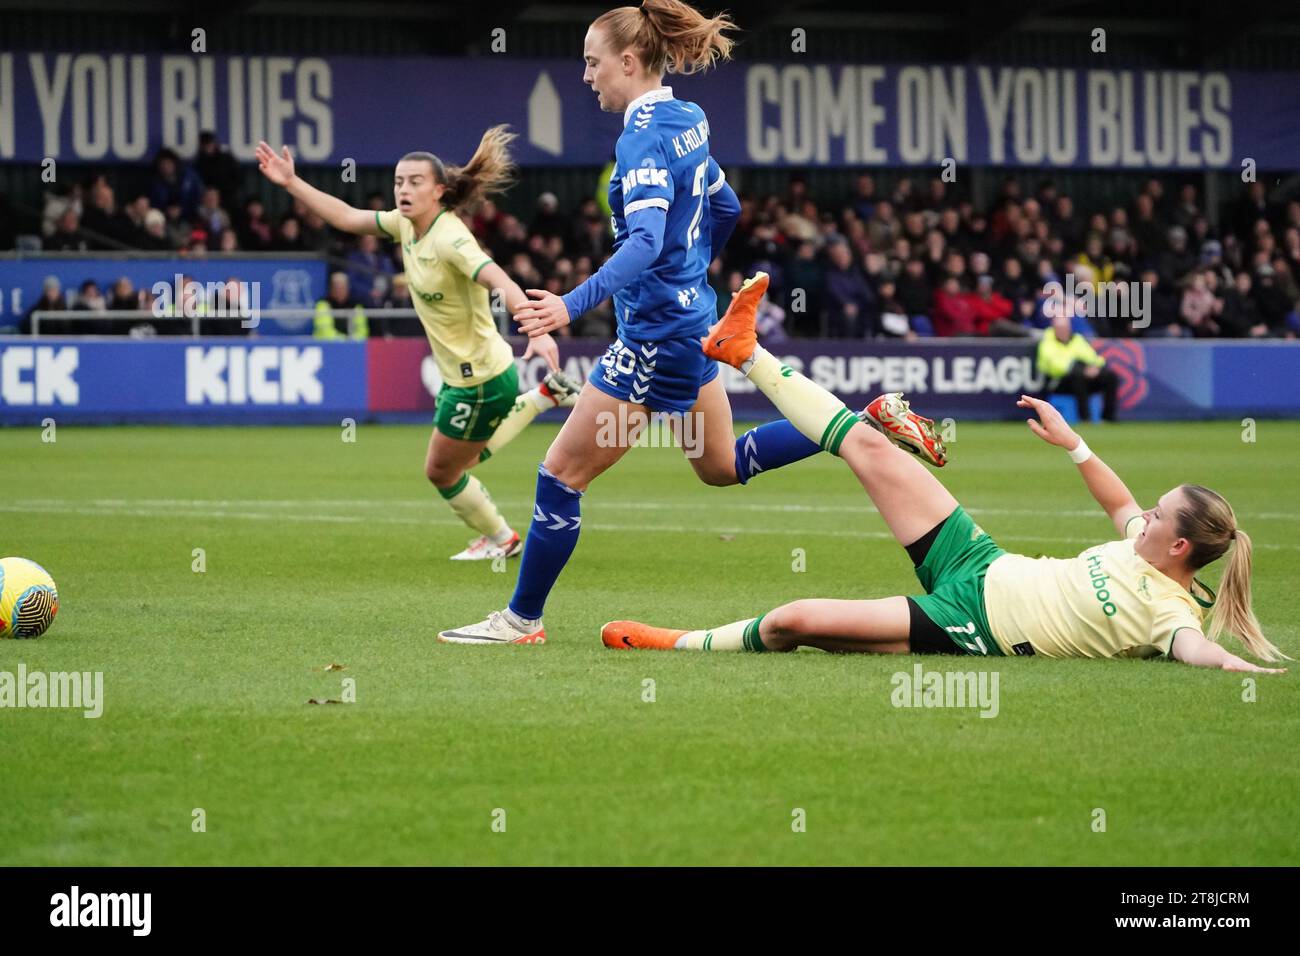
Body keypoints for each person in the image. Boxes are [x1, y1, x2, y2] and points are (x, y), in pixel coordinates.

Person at [437, 1, 926, 645]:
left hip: (652, 336)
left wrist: (569, 304)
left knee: (560, 475)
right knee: (720, 463)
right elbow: (726, 203)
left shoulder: (641, 137)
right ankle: (863, 421)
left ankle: (521, 620)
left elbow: (642, 242)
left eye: (593, 62)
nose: (587, 77)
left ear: (630, 61)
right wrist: (694, 270)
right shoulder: (687, 117)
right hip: (689, 322)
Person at [603, 279, 1288, 673]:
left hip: (971, 621)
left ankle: (675, 642)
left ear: (1178, 548)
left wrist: (1240, 669)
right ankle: (744, 352)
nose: (1146, 513)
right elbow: (1116, 499)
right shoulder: (1148, 542)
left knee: (794, 621)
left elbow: (1196, 649)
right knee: (870, 445)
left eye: (1159, 512)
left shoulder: (1169, 610)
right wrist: (1074, 443)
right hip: (983, 560)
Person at [256, 128, 581, 561]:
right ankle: (544, 397)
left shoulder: (451, 237)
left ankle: (501, 538)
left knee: (443, 471)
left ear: (439, 190)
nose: (403, 190)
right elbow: (347, 217)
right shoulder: (405, 226)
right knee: (458, 462)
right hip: (472, 373)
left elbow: (498, 278)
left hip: (479, 378)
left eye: (414, 182)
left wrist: (537, 329)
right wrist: (291, 182)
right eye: (398, 181)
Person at [1036, 311, 1119, 422]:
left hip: (1083, 376)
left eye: (1065, 327)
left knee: (1110, 377)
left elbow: (1092, 357)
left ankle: (1108, 418)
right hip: (1058, 382)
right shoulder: (1047, 342)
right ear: (1054, 328)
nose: (1063, 331)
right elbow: (1054, 366)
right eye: (1060, 328)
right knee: (1078, 377)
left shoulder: (1077, 340)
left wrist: (1095, 367)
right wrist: (1080, 369)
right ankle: (1085, 418)